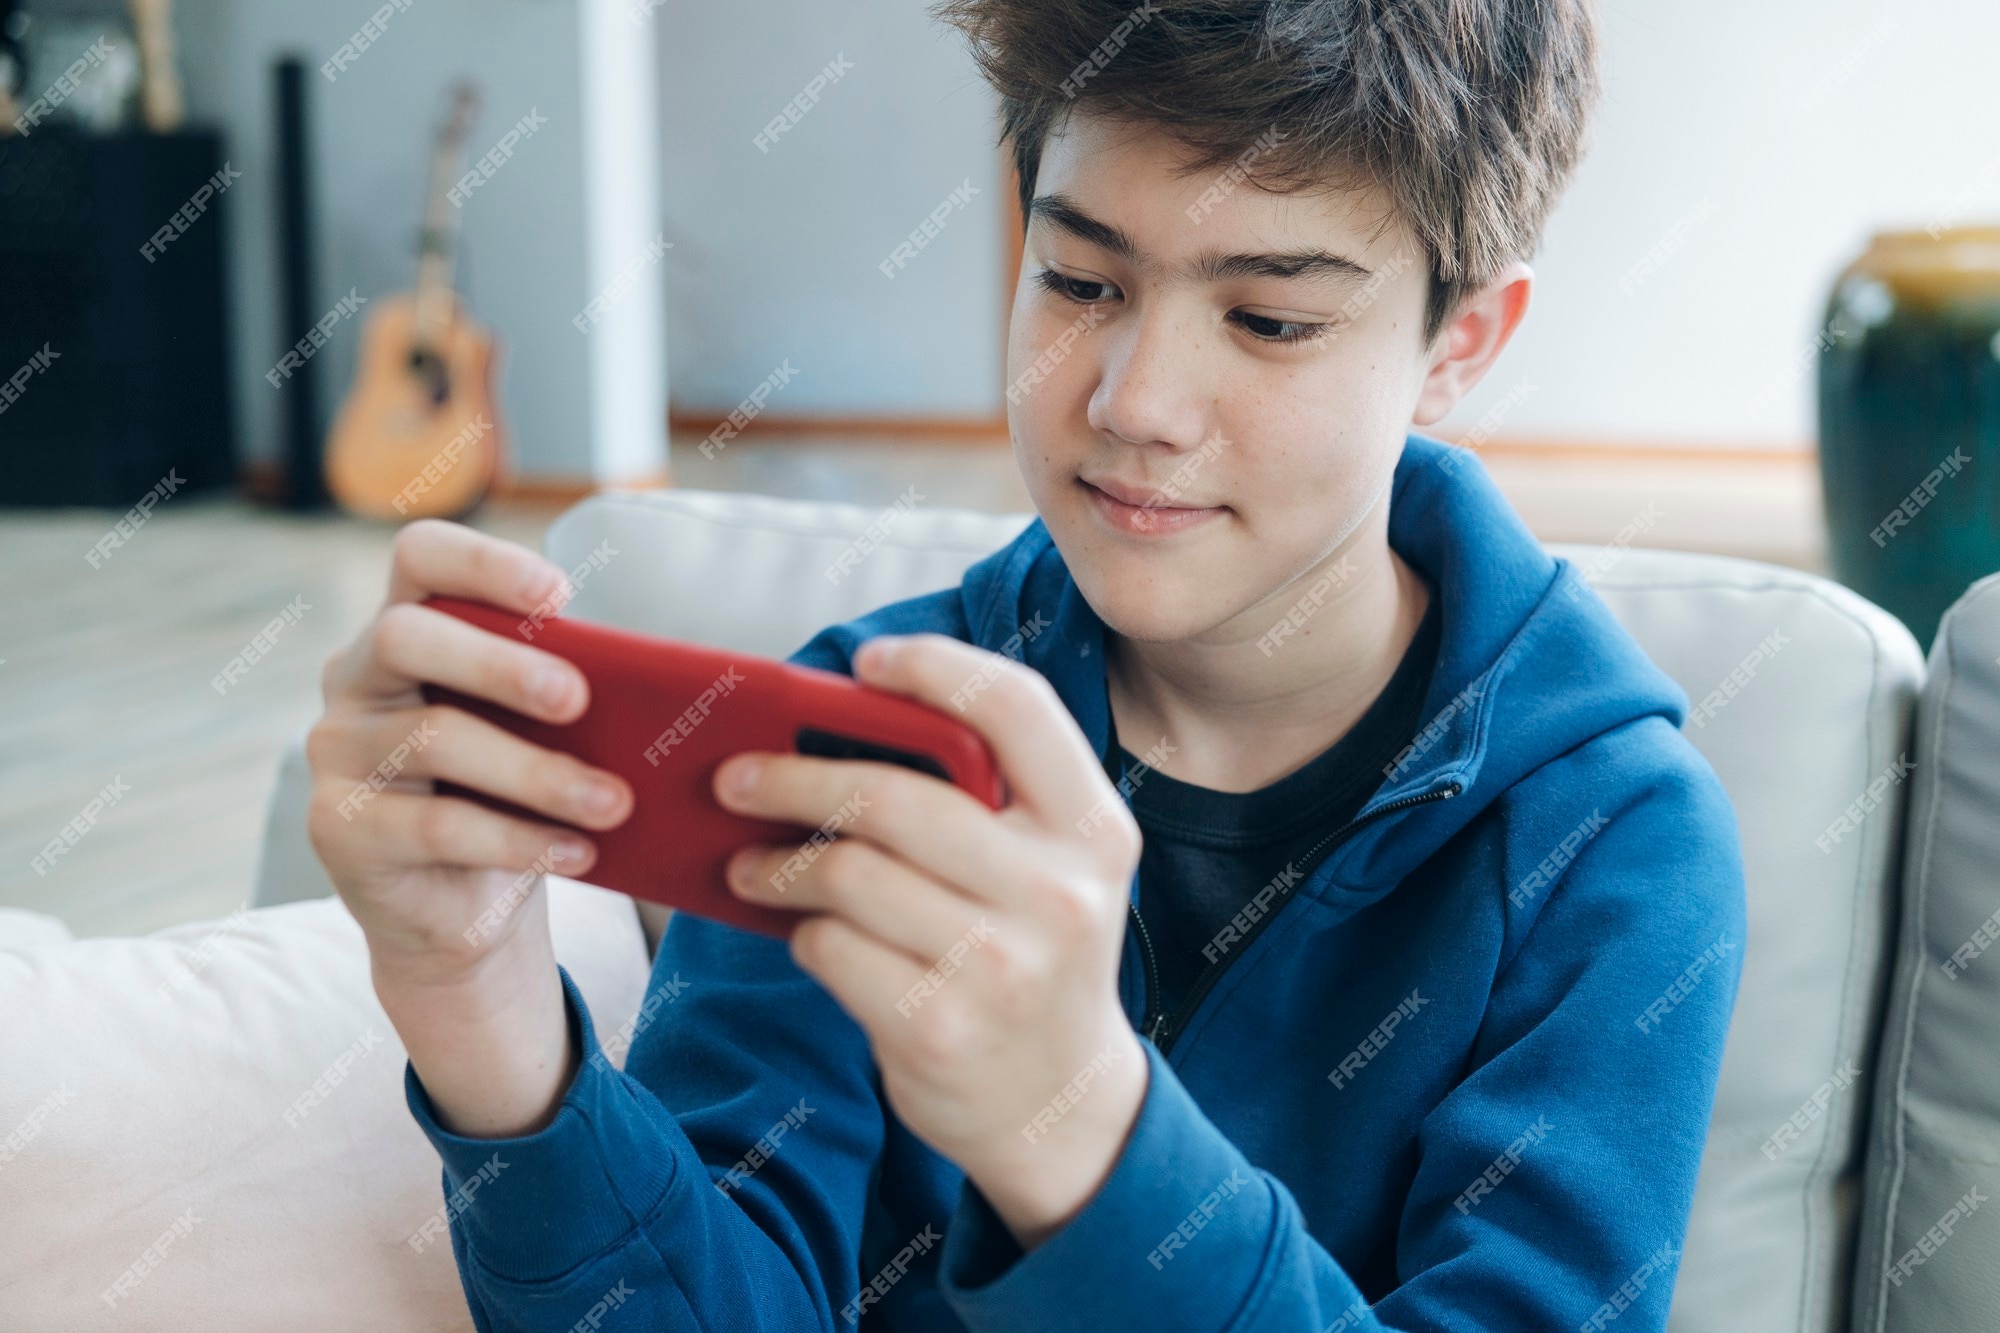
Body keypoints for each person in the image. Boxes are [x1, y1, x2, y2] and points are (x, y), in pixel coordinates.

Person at [305, 1, 1745, 1328]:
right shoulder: (862, 729)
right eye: (1078, 279)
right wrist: (483, 1014)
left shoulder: (1614, 845)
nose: (1134, 402)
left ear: (1462, 341)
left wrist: (1072, 1120)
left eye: (1268, 320)